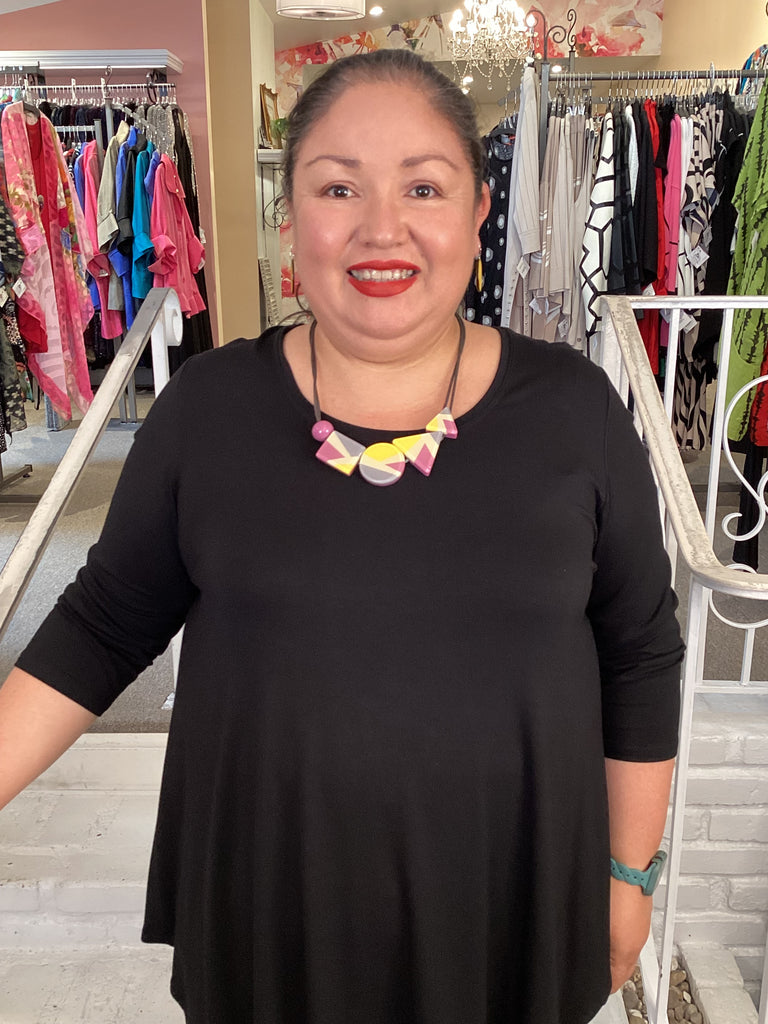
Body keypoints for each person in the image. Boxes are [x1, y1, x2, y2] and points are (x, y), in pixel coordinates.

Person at [0, 49, 683, 1024]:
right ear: (292, 217)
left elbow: (640, 655)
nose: (382, 228)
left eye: (423, 187)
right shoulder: (210, 410)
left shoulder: (575, 412)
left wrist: (629, 872)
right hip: (272, 908)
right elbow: (103, 626)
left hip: (512, 903)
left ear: (480, 213)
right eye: (338, 187)